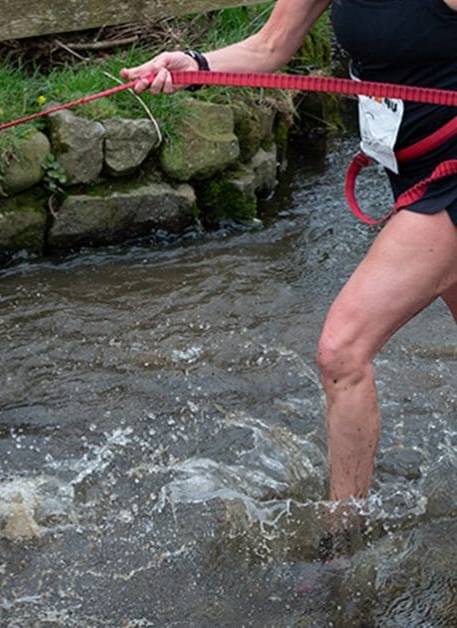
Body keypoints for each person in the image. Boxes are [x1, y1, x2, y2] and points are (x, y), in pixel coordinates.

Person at [122, 0, 457, 507]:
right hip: (410, 173)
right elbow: (269, 46)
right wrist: (195, 64)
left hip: (447, 181)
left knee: (341, 352)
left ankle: (341, 536)